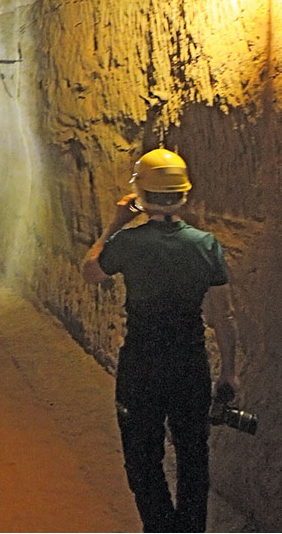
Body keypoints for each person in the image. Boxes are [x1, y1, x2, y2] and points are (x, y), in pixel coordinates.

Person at [82, 147, 240, 533]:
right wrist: (230, 374)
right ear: (183, 194)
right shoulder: (205, 245)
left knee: (142, 458)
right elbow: (224, 318)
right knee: (193, 459)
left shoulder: (128, 243)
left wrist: (114, 224)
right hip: (190, 366)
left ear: (141, 194)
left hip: (142, 366)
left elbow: (91, 272)